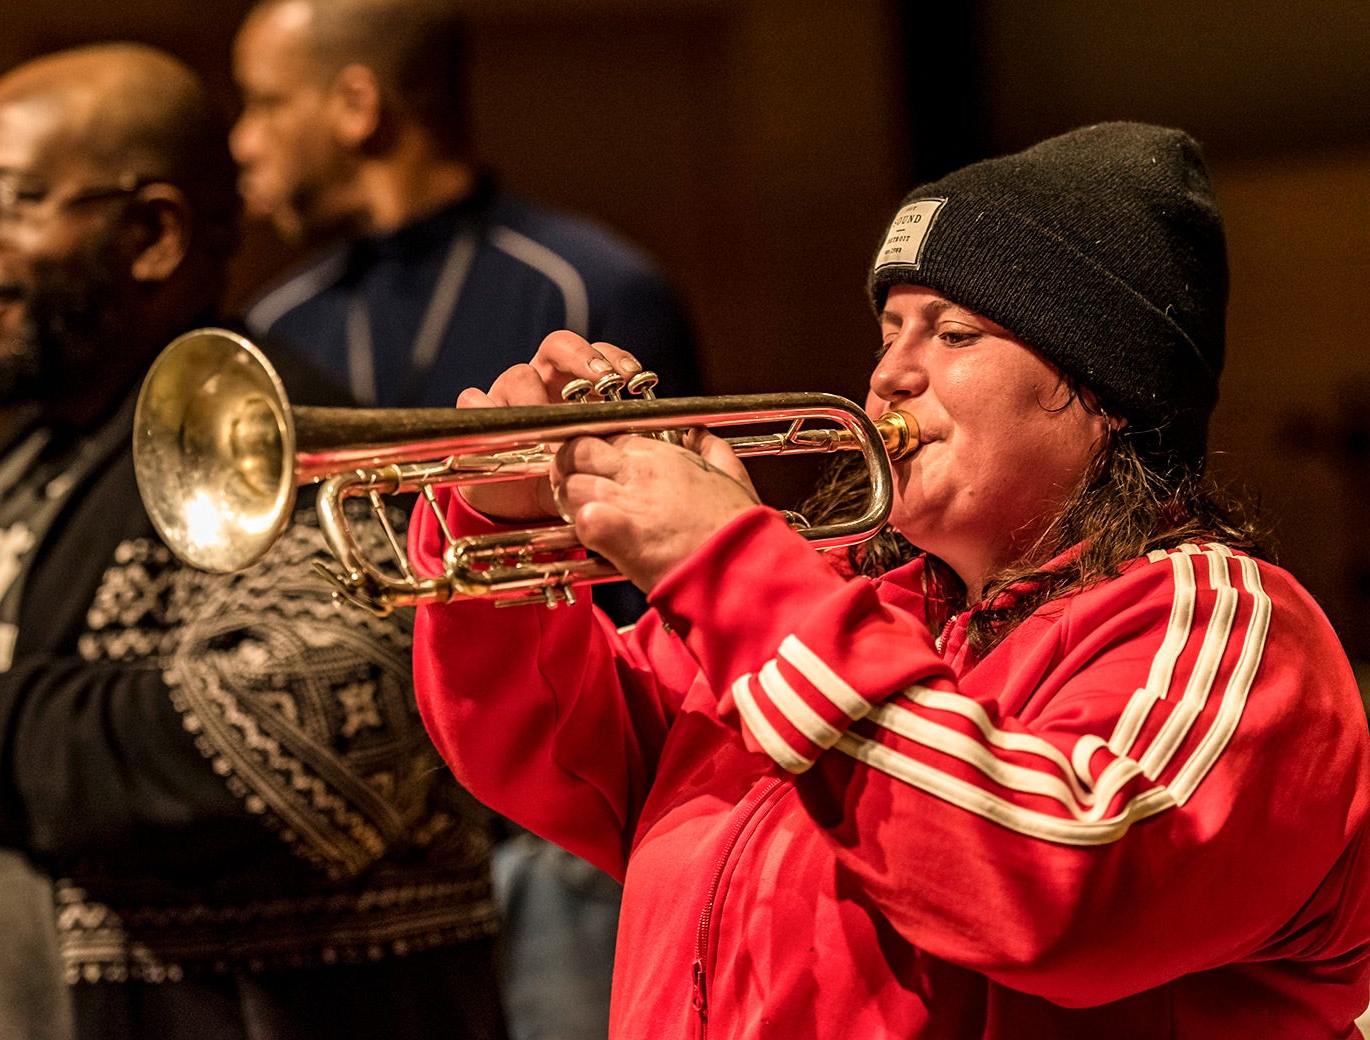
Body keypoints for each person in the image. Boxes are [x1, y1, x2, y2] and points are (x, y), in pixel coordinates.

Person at [406, 121, 1370, 1037]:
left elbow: (1054, 882)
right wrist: (503, 520)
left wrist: (729, 566)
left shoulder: (1225, 625)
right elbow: (547, 750)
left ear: (1107, 390)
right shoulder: (840, 600)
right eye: (890, 330)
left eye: (954, 334)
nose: (889, 376)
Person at [0, 42, 505, 1040]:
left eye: (5, 199)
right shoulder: (11, 469)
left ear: (152, 235)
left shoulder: (273, 435)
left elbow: (310, 752)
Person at [227, 2, 703, 1034]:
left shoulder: (589, 284)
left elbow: (654, 593)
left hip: (544, 842)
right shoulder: (271, 325)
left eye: (264, 102)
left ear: (357, 104)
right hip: (359, 856)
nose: (242, 140)